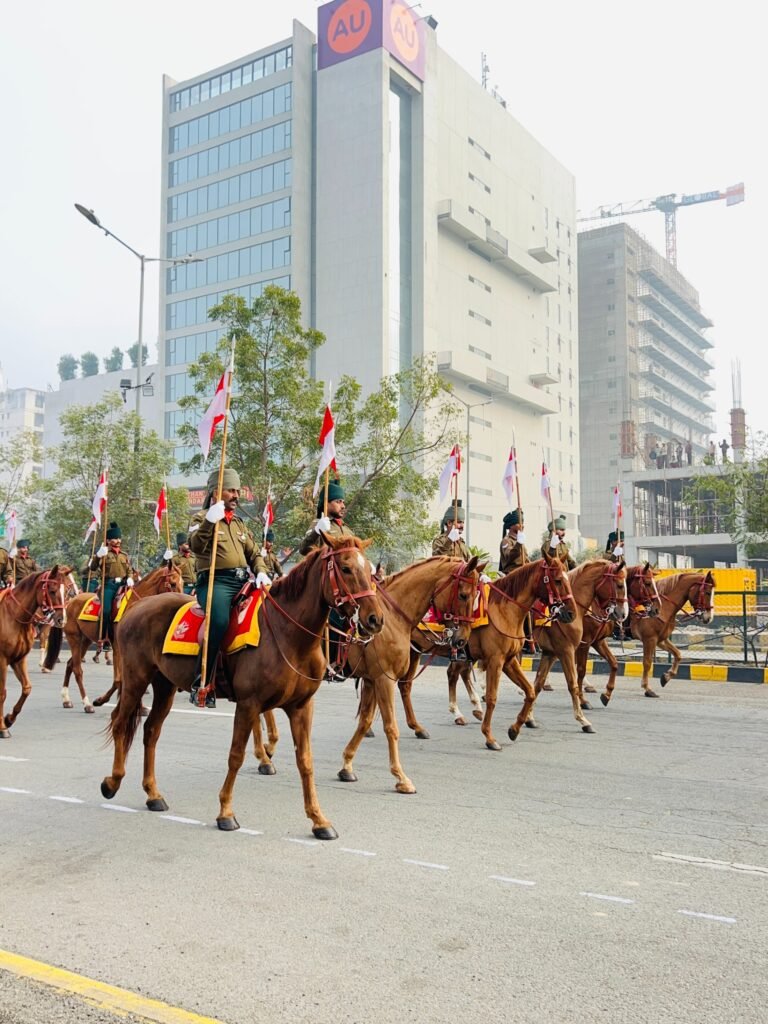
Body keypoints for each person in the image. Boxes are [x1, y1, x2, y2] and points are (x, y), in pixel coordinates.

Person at [188, 467, 271, 707]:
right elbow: (195, 545)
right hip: (216, 582)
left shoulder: (238, 524)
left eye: (237, 491)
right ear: (216, 493)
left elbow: (254, 553)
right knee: (220, 621)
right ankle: (201, 682)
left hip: (242, 581)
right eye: (231, 490)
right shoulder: (201, 518)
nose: (236, 495)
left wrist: (262, 572)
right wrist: (209, 522)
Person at [298, 479, 355, 681]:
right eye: (338, 501)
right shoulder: (319, 524)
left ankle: (347, 660)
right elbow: (304, 550)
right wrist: (316, 531)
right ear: (326, 503)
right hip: (322, 585)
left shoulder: (346, 530)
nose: (342, 505)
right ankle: (329, 662)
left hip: (345, 584)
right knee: (334, 618)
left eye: (342, 501)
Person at [89, 523, 133, 640]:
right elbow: (92, 568)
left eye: (119, 538)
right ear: (108, 540)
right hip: (108, 585)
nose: (118, 541)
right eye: (115, 539)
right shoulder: (104, 554)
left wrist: (130, 577)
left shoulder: (124, 555)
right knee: (106, 611)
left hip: (123, 586)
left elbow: (129, 570)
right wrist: (98, 556)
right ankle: (103, 636)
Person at [499, 509, 528, 573]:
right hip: (512, 574)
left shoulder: (520, 541)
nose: (522, 526)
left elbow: (527, 560)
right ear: (511, 525)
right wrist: (518, 544)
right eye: (518, 523)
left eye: (522, 523)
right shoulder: (506, 541)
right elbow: (509, 556)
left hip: (523, 572)